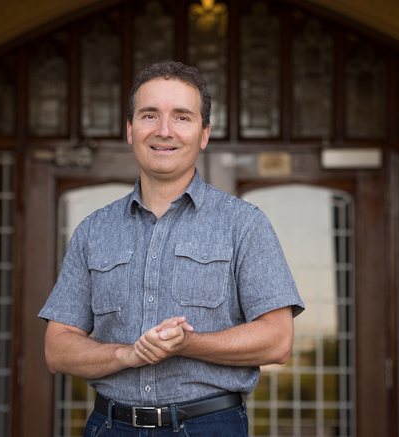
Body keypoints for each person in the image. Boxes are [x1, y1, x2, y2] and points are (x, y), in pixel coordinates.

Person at [38, 60, 304, 436]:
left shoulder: (244, 224)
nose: (164, 131)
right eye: (150, 115)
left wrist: (186, 344)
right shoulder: (92, 231)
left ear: (204, 133)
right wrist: (126, 354)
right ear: (130, 130)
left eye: (182, 117)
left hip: (209, 426)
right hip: (111, 427)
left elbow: (277, 341)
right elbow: (57, 349)